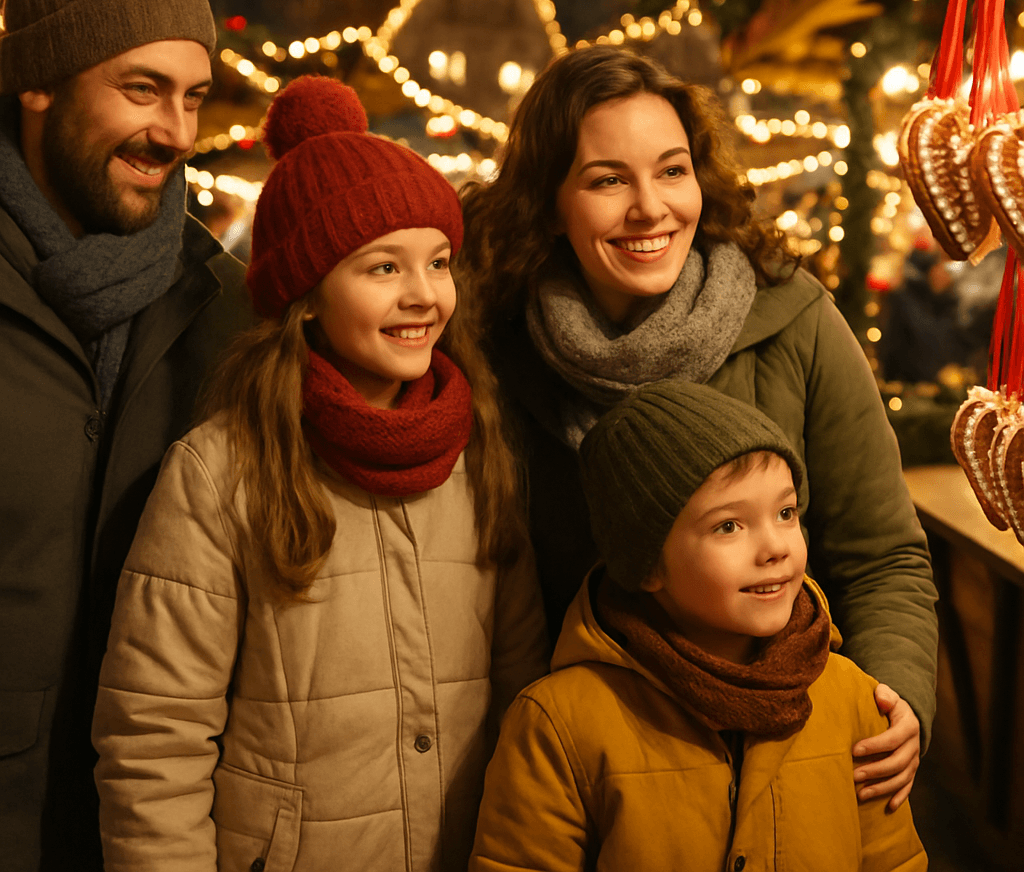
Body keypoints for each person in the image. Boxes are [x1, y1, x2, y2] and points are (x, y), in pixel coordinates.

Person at [459, 45, 938, 811]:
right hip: (589, 773)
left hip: (785, 751)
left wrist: (895, 696)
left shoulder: (791, 315)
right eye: (608, 179)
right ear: (550, 202)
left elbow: (881, 554)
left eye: (672, 170)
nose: (650, 207)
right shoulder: (497, 347)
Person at [92, 75, 547, 872]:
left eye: (439, 263)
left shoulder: (476, 453)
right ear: (307, 295)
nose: (423, 295)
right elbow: (155, 740)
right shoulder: (221, 472)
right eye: (383, 268)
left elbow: (523, 693)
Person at [0, 0, 250, 871]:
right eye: (141, 89)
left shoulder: (220, 305)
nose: (175, 132)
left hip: (146, 827)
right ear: (39, 79)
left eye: (193, 97)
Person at [470, 380, 927, 872]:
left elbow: (895, 862)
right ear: (647, 565)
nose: (775, 547)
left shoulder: (852, 699)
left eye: (785, 512)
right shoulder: (558, 725)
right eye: (728, 526)